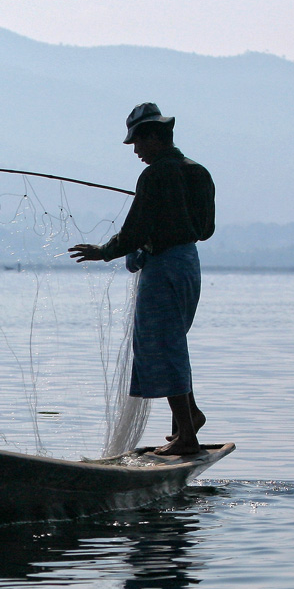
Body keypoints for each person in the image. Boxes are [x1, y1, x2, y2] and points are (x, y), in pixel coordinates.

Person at [69, 103, 215, 456]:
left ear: (154, 137)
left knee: (164, 346)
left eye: (137, 142)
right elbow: (206, 230)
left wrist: (102, 252)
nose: (135, 151)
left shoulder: (153, 178)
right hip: (188, 265)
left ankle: (186, 437)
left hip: (163, 268)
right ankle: (189, 417)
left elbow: (133, 233)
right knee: (174, 342)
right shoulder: (198, 172)